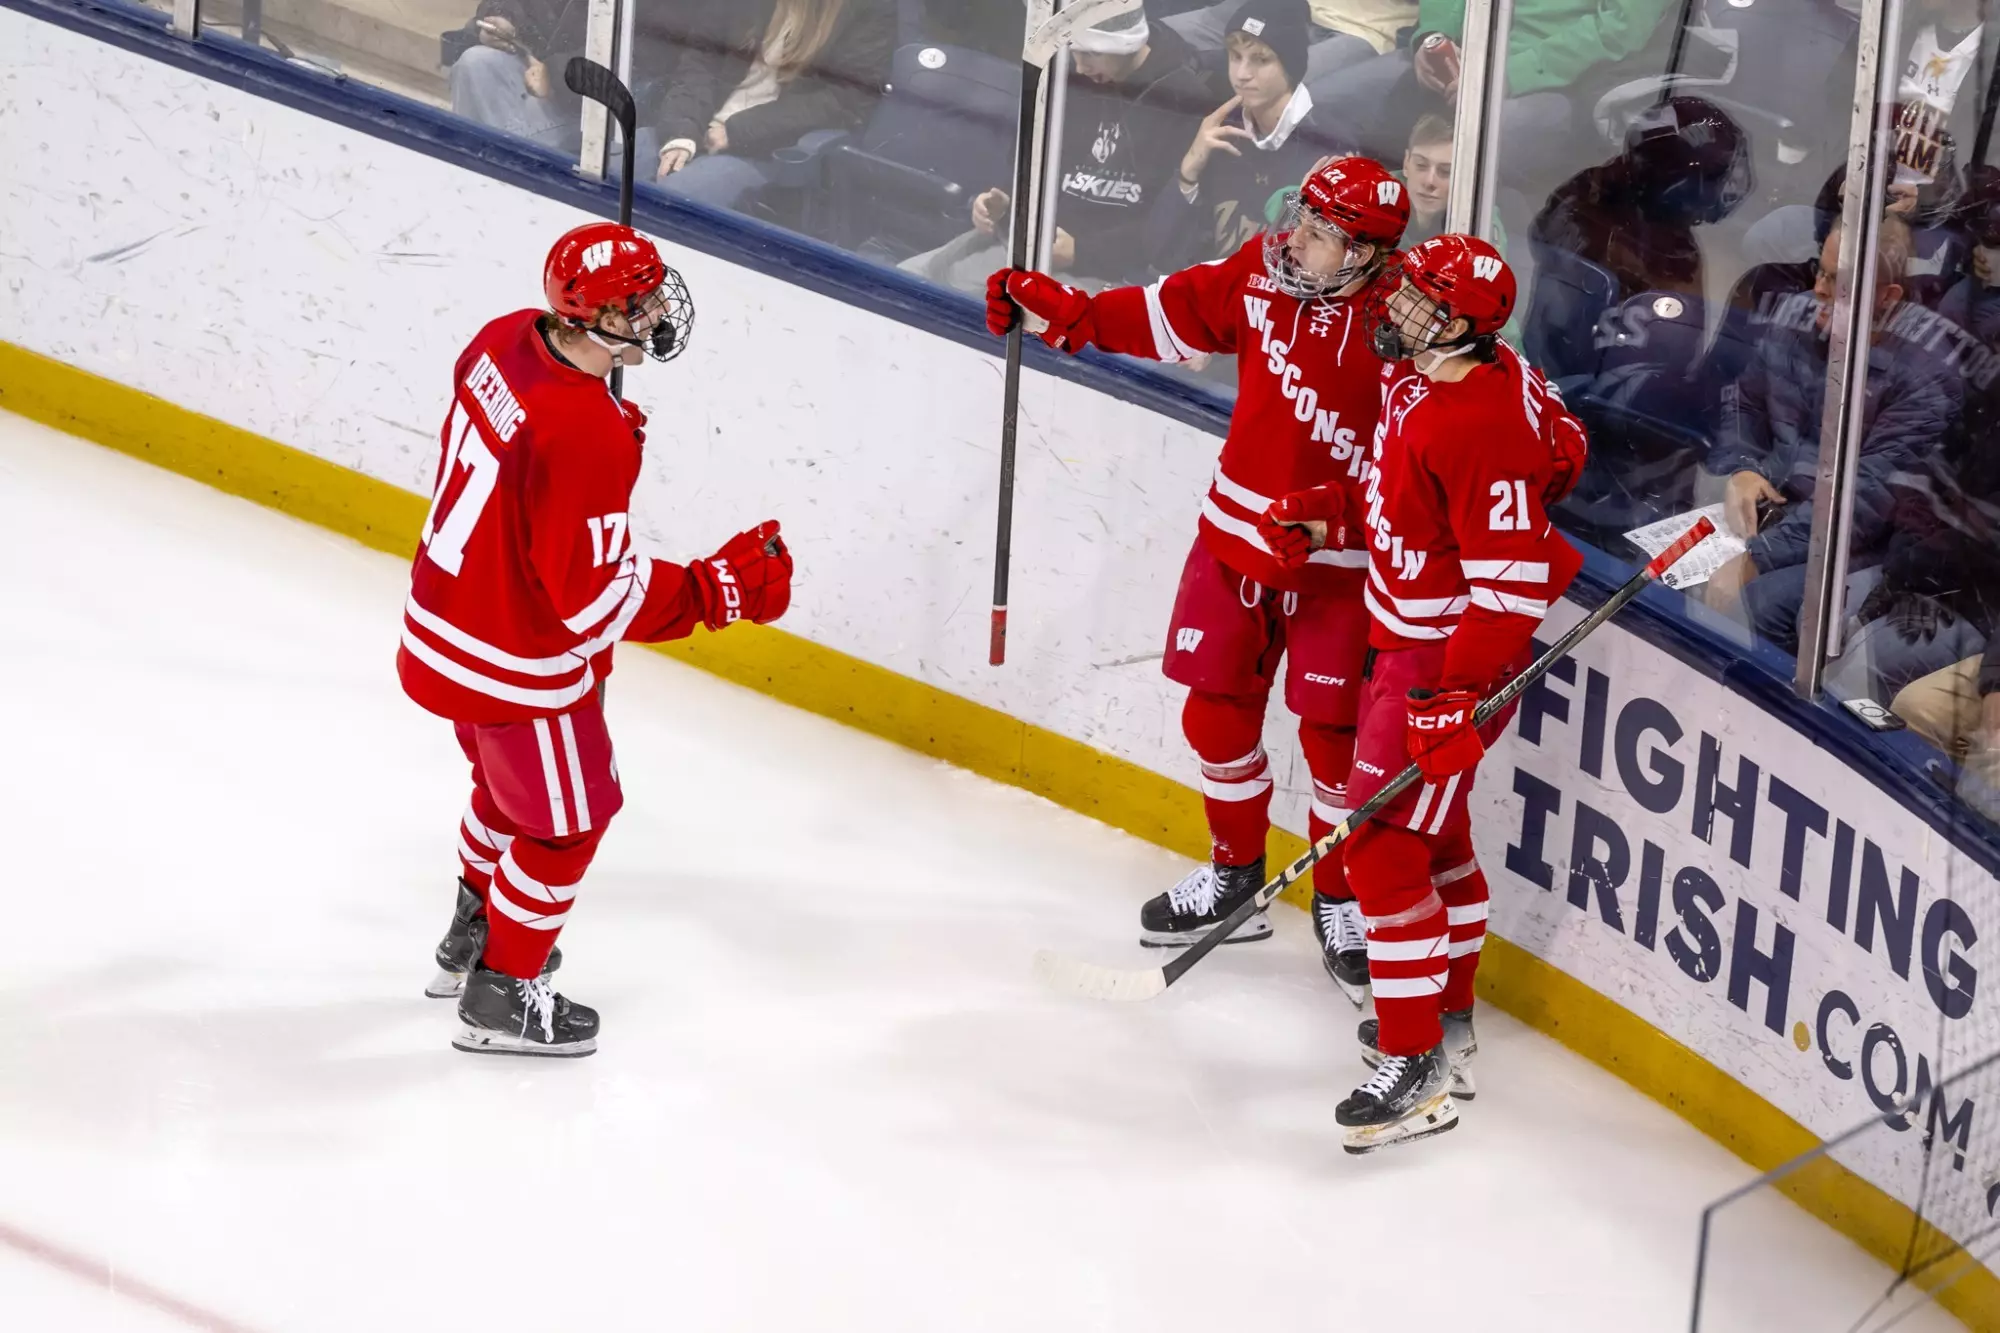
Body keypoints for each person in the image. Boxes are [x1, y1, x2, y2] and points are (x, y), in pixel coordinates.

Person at [984, 158, 1413, 1001]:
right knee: (1214, 715)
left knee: (1335, 744)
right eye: (1303, 221)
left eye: (1324, 236)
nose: (1300, 242)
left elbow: (1423, 467)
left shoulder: (1401, 328)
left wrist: (1345, 520)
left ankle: (1337, 895)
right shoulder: (1261, 271)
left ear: (1367, 254)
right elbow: (1164, 313)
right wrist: (1065, 311)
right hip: (1235, 538)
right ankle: (1235, 875)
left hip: (1343, 572)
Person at [400, 222, 795, 1056]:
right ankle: (501, 994)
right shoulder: (584, 433)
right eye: (640, 298)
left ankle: (471, 930)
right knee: (568, 821)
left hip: (444, 622)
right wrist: (713, 592)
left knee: (511, 795)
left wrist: (598, 422)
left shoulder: (505, 336)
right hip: (517, 661)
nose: (655, 308)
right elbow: (594, 602)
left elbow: (525, 463)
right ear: (599, 319)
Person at [1314, 234, 1588, 1151]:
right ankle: (1453, 1025)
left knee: (1381, 852)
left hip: (1443, 666)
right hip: (1410, 651)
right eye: (1406, 293)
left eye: (1423, 303)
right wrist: (1334, 515)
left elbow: (1509, 587)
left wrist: (1451, 696)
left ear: (1465, 328)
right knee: (1439, 843)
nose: (1398, 308)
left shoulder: (1477, 422)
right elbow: (1570, 448)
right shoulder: (1436, 377)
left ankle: (1417, 1061)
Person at [1702, 215, 1960, 652]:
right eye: (1820, 270)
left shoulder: (1926, 379)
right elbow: (1745, 399)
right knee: (1651, 563)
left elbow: (1865, 501)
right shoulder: (1799, 314)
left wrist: (1756, 558)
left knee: (1756, 605)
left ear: (1887, 296)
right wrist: (1742, 467)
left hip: (1858, 546)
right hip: (1776, 510)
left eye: (1839, 282)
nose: (1818, 288)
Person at [902, 3, 1211, 294]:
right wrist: (1004, 204)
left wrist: (1082, 252)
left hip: (1103, 272)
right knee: (909, 280)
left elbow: (1170, 229)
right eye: (1074, 51)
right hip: (1031, 247)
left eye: (1091, 53)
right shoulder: (1070, 81)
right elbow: (1032, 168)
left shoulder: (1185, 103)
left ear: (1125, 42)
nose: (1081, 65)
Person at [1308, 0, 1672, 198]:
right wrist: (1432, 39)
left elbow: (1621, 29)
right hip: (1459, 57)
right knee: (1321, 107)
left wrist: (1510, 74)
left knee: (1474, 149)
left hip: (1554, 82)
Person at [1147, 0, 1343, 270]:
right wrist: (1189, 169)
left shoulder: (1329, 147)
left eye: (1260, 60)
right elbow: (1158, 252)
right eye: (1234, 56)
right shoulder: (1217, 132)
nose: (1241, 74)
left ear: (1291, 64)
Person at [645, 0, 896, 210]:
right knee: (613, 169)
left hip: (764, 149)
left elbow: (844, 100)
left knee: (668, 203)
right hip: (698, 123)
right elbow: (701, 60)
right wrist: (681, 132)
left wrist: (737, 132)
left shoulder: (871, 9)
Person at [442, 0, 591, 151]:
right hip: (535, 73)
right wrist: (502, 21)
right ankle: (467, 159)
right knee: (474, 63)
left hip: (589, 112)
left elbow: (610, 62)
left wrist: (555, 75)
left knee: (505, 140)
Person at [1163, 0, 1413, 83]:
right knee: (1156, 37)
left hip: (1362, 30)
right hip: (1287, 6)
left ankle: (1212, 63)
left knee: (1272, 83)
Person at [1399, 112, 1452, 247]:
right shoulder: (1375, 197)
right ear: (1406, 163)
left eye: (1445, 171)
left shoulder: (1480, 214)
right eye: (1421, 165)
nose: (1429, 182)